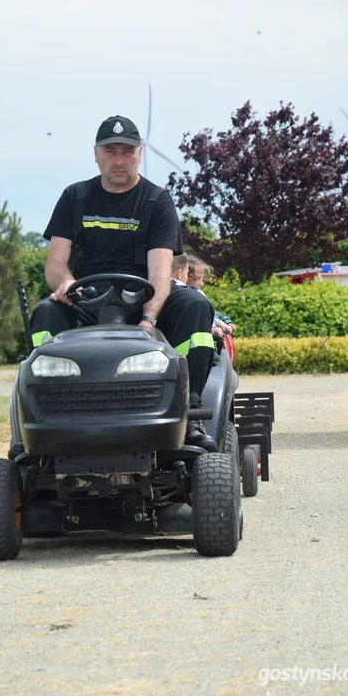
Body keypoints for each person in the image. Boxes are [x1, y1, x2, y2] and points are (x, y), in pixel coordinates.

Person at [30, 115, 217, 451]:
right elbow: (56, 263)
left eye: (127, 151)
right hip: (88, 300)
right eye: (111, 151)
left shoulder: (157, 201)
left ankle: (190, 413)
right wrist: (66, 284)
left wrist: (149, 319)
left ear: (140, 154)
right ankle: (51, 415)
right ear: (96, 154)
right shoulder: (75, 198)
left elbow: (160, 272)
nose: (119, 160)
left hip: (143, 298)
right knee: (45, 313)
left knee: (196, 305)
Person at [186, 256, 237, 336]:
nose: (201, 283)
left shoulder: (198, 294)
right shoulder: (187, 299)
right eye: (197, 278)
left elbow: (212, 312)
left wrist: (225, 321)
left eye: (202, 278)